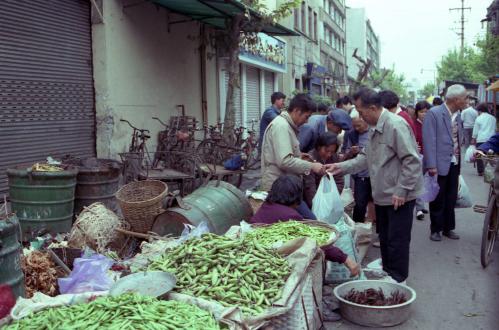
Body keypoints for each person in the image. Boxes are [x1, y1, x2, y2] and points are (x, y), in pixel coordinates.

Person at [326, 88, 422, 284]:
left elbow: (412, 160)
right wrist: (340, 167)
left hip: (398, 195)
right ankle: (389, 271)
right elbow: (364, 158)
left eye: (361, 112)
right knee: (385, 237)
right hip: (383, 193)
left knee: (397, 239)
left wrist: (402, 189)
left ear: (372, 108)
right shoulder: (375, 128)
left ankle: (399, 278)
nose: (360, 117)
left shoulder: (396, 125)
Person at [251, 174, 360, 322]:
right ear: (295, 197)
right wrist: (345, 258)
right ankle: (317, 304)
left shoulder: (266, 207)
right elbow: (314, 242)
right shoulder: (290, 216)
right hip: (276, 262)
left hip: (258, 255)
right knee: (317, 257)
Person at [261, 93, 325, 219]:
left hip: (286, 188)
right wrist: (312, 166)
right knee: (309, 221)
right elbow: (284, 161)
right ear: (296, 111)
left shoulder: (287, 125)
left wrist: (298, 155)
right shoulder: (281, 126)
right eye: (306, 117)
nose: (307, 121)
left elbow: (280, 154)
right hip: (280, 190)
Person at [422, 84, 467, 242]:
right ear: (456, 99)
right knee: (437, 197)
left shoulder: (459, 114)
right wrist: (431, 165)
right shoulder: (434, 113)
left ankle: (448, 228)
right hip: (438, 163)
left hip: (454, 162)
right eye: (465, 98)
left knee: (451, 197)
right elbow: (429, 140)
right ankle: (436, 229)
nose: (467, 101)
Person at [302, 132, 345, 208]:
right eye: (326, 151)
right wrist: (317, 205)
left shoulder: (335, 158)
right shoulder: (310, 159)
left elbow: (339, 181)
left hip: (329, 198)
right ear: (319, 147)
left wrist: (332, 200)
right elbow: (309, 187)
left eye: (332, 152)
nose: (329, 155)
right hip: (311, 199)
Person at [342, 117, 372, 223]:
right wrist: (351, 152)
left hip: (375, 174)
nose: (356, 128)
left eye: (358, 125)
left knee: (376, 202)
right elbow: (346, 153)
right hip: (360, 174)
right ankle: (358, 228)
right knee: (359, 203)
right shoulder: (352, 134)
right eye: (354, 126)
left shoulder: (374, 131)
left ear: (365, 122)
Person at [414, 101, 431, 220]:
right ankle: (419, 208)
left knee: (426, 182)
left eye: (426, 112)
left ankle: (421, 204)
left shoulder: (431, 124)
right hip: (418, 157)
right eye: (421, 112)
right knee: (419, 181)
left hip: (430, 157)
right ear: (416, 113)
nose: (424, 114)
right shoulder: (413, 125)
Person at [472, 102, 497, 176]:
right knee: (490, 156)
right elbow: (495, 129)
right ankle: (490, 170)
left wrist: (473, 138)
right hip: (491, 140)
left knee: (479, 156)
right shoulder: (493, 118)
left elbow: (476, 130)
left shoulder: (479, 118)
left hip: (481, 139)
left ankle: (481, 171)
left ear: (480, 110)